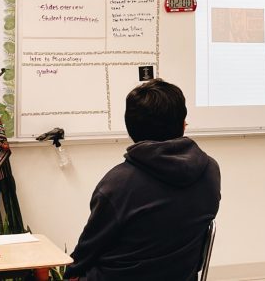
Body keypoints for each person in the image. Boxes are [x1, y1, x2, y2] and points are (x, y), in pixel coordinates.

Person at [64, 79, 221, 281]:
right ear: (183, 124)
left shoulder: (118, 184)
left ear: (131, 129)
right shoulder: (210, 170)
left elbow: (87, 252)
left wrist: (70, 273)